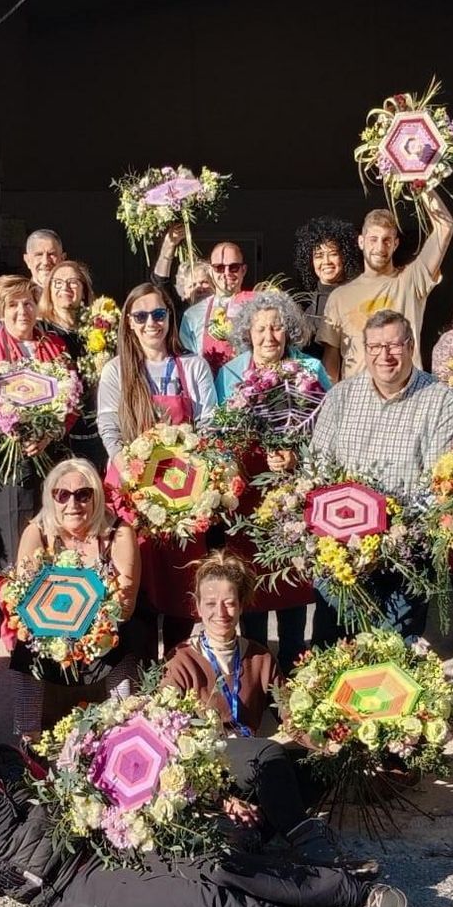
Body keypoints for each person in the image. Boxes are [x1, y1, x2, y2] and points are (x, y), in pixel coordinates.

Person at [0, 697, 410, 907]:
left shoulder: (8, 759)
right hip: (73, 889)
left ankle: (349, 892)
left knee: (216, 862)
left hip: (105, 842)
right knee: (204, 902)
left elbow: (70, 786)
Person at [161, 551, 362, 871]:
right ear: (198, 607)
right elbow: (166, 738)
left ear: (242, 605)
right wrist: (220, 799)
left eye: (229, 602)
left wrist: (327, 742)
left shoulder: (260, 656)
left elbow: (290, 715)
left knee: (322, 765)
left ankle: (250, 833)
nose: (220, 612)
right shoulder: (181, 660)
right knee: (269, 753)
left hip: (252, 764)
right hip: (207, 766)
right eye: (210, 604)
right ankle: (310, 845)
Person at [308, 310, 453, 640]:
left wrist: (385, 535)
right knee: (330, 661)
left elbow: (439, 483)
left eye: (393, 345)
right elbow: (318, 471)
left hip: (401, 558)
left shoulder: (440, 400)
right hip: (340, 556)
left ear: (410, 346)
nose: (384, 355)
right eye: (375, 347)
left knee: (392, 667)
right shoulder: (341, 396)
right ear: (365, 350)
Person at [96, 281, 218, 656]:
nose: (152, 323)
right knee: (135, 580)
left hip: (183, 491)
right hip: (130, 491)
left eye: (159, 314)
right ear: (129, 323)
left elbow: (209, 425)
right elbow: (108, 425)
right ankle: (139, 671)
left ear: (170, 317)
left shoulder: (192, 366)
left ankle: (177, 672)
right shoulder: (118, 370)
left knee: (183, 581)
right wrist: (130, 472)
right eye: (141, 316)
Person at [214, 289, 328, 672]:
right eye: (260, 328)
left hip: (294, 493)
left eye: (277, 327)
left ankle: (296, 672)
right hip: (247, 494)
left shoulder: (310, 371)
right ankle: (258, 676)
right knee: (251, 586)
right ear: (248, 333)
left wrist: (298, 456)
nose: (269, 337)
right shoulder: (230, 373)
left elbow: (327, 430)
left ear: (289, 331)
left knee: (294, 584)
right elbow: (218, 433)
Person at [6, 459, 141, 739]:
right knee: (25, 648)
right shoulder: (38, 532)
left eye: (83, 494)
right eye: (62, 495)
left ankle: (124, 731)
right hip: (51, 632)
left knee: (124, 646)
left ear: (96, 496)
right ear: (51, 497)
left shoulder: (118, 533)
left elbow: (125, 608)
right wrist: (59, 630)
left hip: (101, 633)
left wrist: (85, 631)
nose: (73, 503)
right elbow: (23, 596)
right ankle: (27, 742)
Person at [0, 276, 76, 604]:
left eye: (29, 303)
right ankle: (14, 620)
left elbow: (72, 400)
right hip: (4, 466)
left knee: (53, 535)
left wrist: (51, 431)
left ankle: (53, 613)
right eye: (13, 305)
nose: (22, 311)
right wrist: (8, 430)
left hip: (51, 459)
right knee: (10, 542)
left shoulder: (56, 349)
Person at [322, 199, 453, 376]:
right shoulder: (339, 296)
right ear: (361, 242)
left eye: (386, 240)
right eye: (373, 239)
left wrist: (422, 182)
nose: (379, 247)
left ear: (395, 244)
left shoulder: (410, 280)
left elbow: (445, 225)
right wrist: (333, 399)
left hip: (406, 394)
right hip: (358, 398)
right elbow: (331, 358)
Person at [39, 259, 109, 472]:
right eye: (58, 283)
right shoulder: (40, 331)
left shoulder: (101, 330)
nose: (65, 288)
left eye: (72, 282)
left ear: (84, 289)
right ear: (49, 290)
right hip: (58, 439)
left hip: (97, 436)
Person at [293, 216, 360, 375]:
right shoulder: (304, 307)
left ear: (344, 256)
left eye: (333, 253)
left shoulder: (357, 298)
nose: (326, 261)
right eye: (318, 256)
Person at [177, 241, 254, 372]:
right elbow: (188, 363)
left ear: (244, 270)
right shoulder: (192, 315)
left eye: (233, 267)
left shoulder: (257, 306)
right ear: (211, 271)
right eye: (219, 268)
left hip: (250, 384)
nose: (226, 273)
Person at [23, 229, 64, 293]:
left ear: (62, 259)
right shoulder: (18, 299)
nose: (45, 262)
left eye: (51, 254)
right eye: (39, 255)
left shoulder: (73, 298)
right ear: (27, 260)